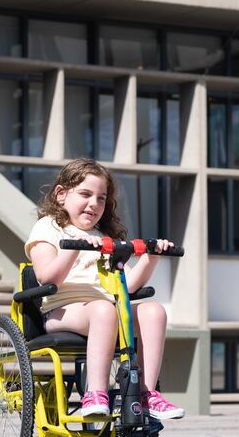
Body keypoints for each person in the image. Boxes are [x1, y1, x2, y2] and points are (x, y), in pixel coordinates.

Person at [25, 158, 184, 420]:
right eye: (86, 194)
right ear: (61, 194)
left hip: (104, 310)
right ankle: (95, 393)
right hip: (62, 310)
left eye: (101, 198)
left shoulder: (104, 237)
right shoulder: (48, 227)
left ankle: (147, 394)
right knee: (104, 310)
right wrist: (73, 248)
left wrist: (151, 257)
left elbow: (129, 285)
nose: (94, 204)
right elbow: (46, 276)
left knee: (153, 311)